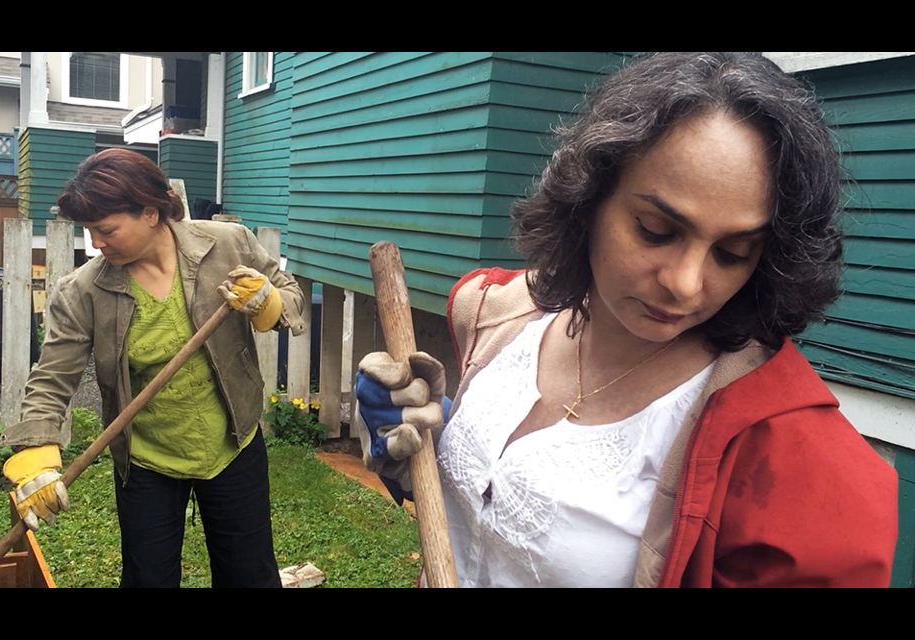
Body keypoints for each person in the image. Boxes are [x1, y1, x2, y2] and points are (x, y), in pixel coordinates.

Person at [355, 52, 899, 587]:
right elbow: (478, 523)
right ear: (589, 198)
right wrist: (422, 451)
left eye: (733, 253)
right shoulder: (503, 317)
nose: (685, 282)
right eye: (655, 229)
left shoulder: (782, 454)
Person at [0, 148, 307, 588]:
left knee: (250, 574)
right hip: (146, 458)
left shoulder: (228, 244)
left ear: (149, 211)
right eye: (90, 231)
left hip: (233, 444)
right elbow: (51, 378)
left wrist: (269, 302)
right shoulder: (83, 291)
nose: (97, 244)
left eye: (106, 230)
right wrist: (36, 447)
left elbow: (287, 294)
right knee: (148, 578)